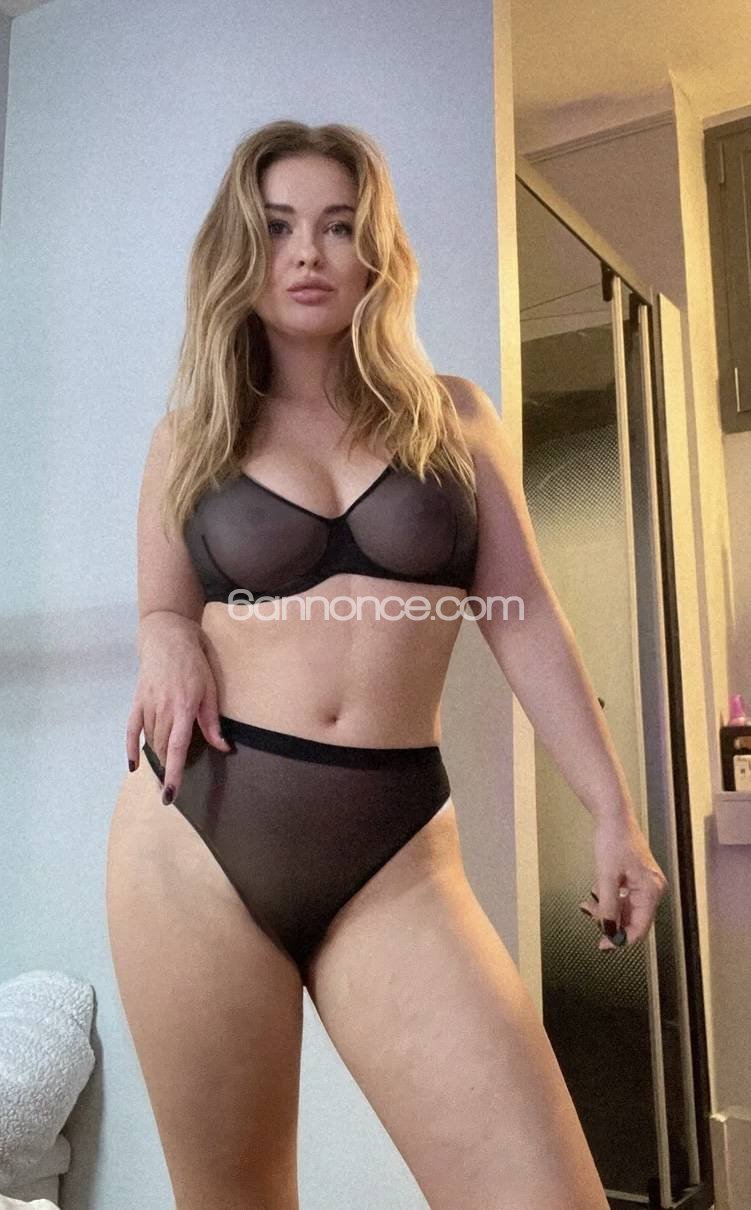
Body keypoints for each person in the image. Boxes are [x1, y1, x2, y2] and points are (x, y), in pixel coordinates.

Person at [105, 120, 668, 1210]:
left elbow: (524, 617)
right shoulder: (193, 434)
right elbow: (164, 609)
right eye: (277, 227)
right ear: (241, 248)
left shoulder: (453, 417)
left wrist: (612, 814)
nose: (306, 254)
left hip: (396, 852)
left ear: (376, 251)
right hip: (196, 837)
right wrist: (165, 635)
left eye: (336, 226)